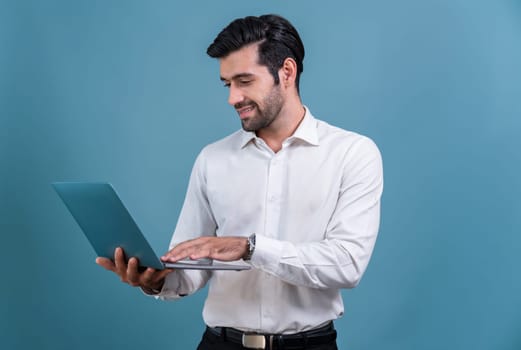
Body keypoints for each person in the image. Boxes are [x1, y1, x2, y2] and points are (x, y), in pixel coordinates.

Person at [97, 14, 383, 350]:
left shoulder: (353, 153)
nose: (232, 98)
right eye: (227, 84)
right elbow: (191, 269)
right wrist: (156, 281)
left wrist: (249, 247)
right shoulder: (212, 159)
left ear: (286, 73)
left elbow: (347, 265)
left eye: (244, 81)